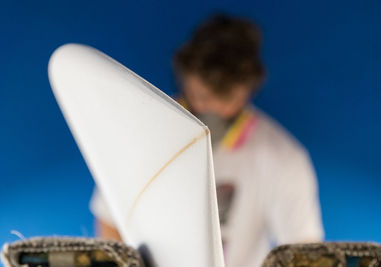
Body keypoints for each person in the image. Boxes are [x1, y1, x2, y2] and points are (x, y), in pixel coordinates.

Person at [90, 13, 324, 267]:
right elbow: (110, 223)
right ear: (185, 78)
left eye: (224, 98)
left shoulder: (283, 159)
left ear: (248, 88)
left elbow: (304, 253)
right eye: (202, 95)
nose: (211, 108)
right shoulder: (140, 138)